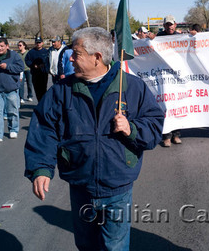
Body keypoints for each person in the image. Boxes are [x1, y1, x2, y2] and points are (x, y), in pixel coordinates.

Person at [24, 27, 164, 250]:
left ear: (97, 57)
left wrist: (132, 129)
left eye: (76, 53)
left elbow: (155, 128)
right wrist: (41, 168)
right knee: (87, 245)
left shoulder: (131, 87)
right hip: (81, 186)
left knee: (115, 246)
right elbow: (44, 128)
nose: (70, 58)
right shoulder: (62, 90)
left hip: (118, 186)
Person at [0, 37, 24, 143]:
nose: (0, 48)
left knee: (12, 111)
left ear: (7, 46)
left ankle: (13, 129)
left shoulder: (14, 56)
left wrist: (8, 66)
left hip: (11, 89)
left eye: (2, 46)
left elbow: (21, 67)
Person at [156, 15, 182, 146]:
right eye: (167, 24)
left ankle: (176, 134)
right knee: (166, 105)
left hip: (177, 76)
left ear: (175, 25)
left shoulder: (181, 37)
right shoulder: (158, 37)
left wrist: (194, 36)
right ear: (164, 26)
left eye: (171, 24)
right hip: (164, 77)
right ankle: (166, 136)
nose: (170, 26)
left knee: (177, 104)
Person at [25, 36, 49, 102]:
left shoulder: (46, 51)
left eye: (39, 42)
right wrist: (33, 65)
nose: (38, 44)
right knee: (37, 89)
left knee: (44, 89)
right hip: (35, 73)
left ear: (42, 43)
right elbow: (27, 60)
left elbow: (49, 61)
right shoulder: (31, 52)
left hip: (43, 73)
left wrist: (44, 65)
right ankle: (39, 102)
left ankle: (44, 103)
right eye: (37, 42)